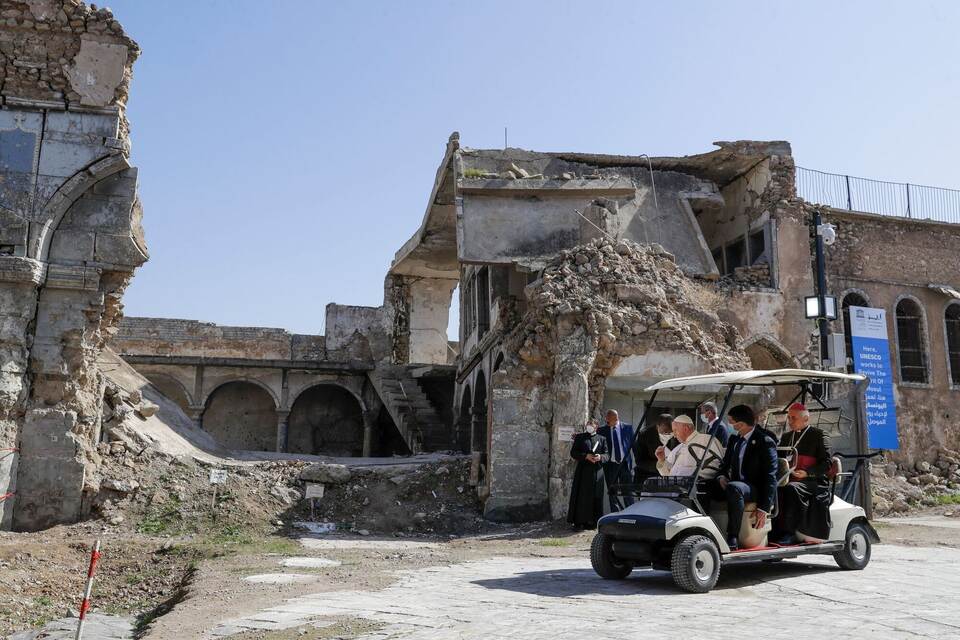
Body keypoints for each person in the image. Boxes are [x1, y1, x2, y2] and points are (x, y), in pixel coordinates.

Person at [708, 404, 778, 550]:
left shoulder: (764, 441)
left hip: (754, 488)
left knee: (734, 488)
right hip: (737, 485)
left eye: (731, 421)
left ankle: (732, 535)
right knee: (704, 485)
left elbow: (771, 476)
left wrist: (764, 508)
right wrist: (720, 476)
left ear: (740, 424)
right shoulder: (735, 440)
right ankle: (704, 530)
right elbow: (724, 465)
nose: (730, 425)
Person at [771, 403, 832, 544]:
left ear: (805, 419)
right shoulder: (786, 437)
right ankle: (772, 533)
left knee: (791, 489)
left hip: (813, 481)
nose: (790, 421)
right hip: (789, 478)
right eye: (789, 418)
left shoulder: (818, 435)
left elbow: (827, 463)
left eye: (793, 418)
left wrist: (807, 473)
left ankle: (790, 533)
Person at [567, 419, 611, 528]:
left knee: (596, 497)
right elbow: (573, 452)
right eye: (588, 424)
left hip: (597, 472)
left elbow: (607, 455)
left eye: (591, 424)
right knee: (581, 496)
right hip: (583, 471)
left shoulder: (602, 439)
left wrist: (600, 457)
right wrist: (585, 456)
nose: (589, 426)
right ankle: (579, 522)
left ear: (596, 427)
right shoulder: (580, 437)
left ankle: (593, 522)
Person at [655, 415, 726, 479]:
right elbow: (670, 475)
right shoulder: (679, 447)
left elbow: (716, 466)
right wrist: (662, 460)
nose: (674, 435)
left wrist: (689, 475)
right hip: (678, 488)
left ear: (686, 429)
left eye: (675, 430)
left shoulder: (706, 440)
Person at [598, 409, 635, 509]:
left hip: (625, 465)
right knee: (612, 492)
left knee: (627, 492)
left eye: (609, 420)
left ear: (616, 418)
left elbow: (634, 446)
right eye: (606, 420)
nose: (607, 422)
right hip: (610, 466)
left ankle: (630, 513)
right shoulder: (602, 430)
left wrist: (637, 464)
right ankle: (615, 515)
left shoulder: (627, 428)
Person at [633, 413, 679, 484]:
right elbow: (640, 461)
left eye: (671, 432)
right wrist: (661, 465)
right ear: (657, 426)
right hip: (648, 476)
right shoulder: (644, 435)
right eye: (665, 432)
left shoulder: (677, 434)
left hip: (670, 477)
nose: (668, 435)